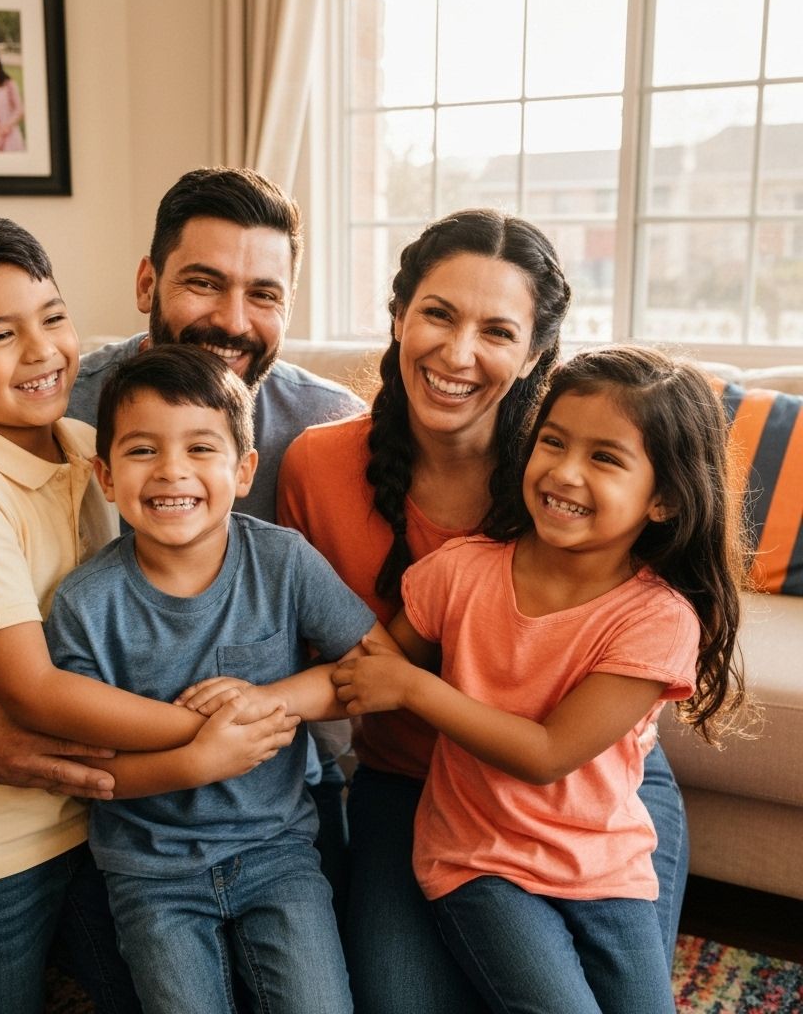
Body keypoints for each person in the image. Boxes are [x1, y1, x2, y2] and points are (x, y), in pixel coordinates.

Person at [0, 168, 363, 999]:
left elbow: (378, 646)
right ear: (149, 281)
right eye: (204, 282)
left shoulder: (327, 426)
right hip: (116, 801)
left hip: (269, 793)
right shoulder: (68, 405)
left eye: (264, 293)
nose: (232, 319)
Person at [277, 209, 693, 1012]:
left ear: (535, 354)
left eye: (496, 330)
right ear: (398, 318)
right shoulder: (317, 466)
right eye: (437, 314)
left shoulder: (569, 480)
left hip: (589, 798)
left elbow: (636, 630)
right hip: (415, 787)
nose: (458, 353)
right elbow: (322, 654)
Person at [331, 344, 749, 1013]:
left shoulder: (660, 619)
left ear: (665, 499)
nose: (564, 471)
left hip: (605, 866)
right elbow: (370, 666)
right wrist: (266, 700)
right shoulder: (461, 570)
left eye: (605, 457)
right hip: (479, 861)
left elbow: (548, 754)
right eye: (553, 442)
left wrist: (415, 690)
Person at [41, 343, 391, 1013]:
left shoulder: (282, 561)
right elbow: (95, 771)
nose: (172, 471)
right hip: (150, 872)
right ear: (106, 476)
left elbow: (370, 665)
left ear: (243, 468)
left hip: (278, 850)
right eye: (142, 451)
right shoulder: (86, 604)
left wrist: (269, 699)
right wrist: (199, 760)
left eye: (201, 448)